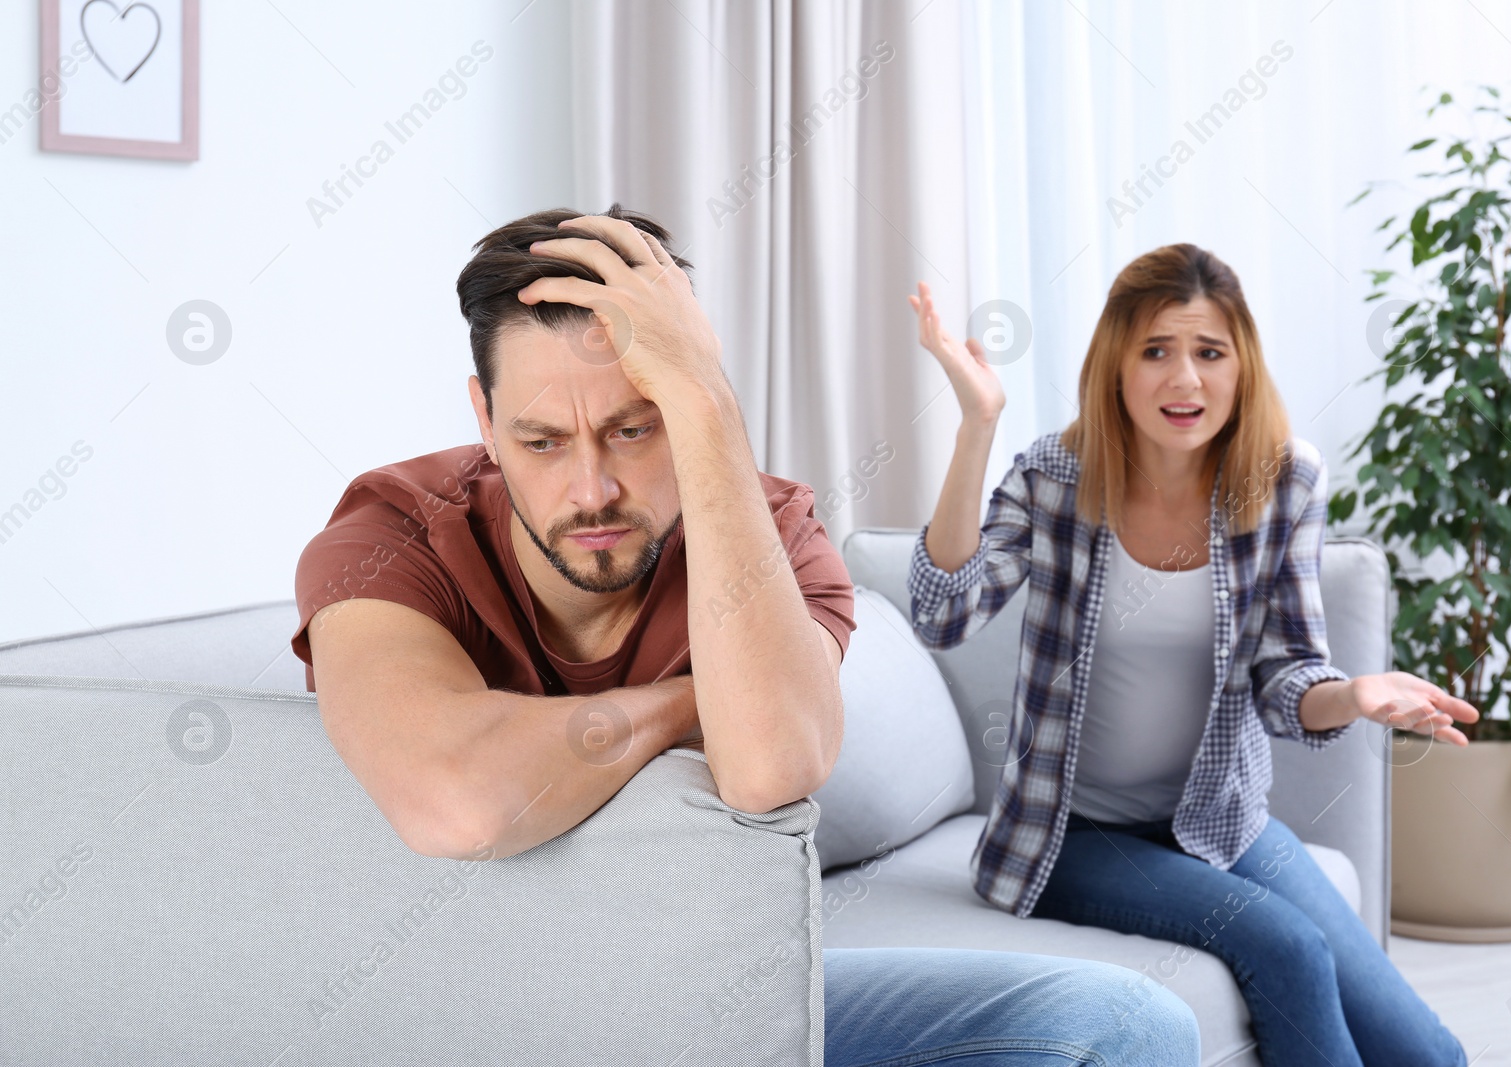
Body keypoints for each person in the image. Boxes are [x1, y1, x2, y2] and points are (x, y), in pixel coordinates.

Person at [289, 204, 1202, 1065]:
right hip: (486, 1018)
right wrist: (691, 705)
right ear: (485, 422)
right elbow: (461, 801)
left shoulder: (772, 532)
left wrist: (705, 407)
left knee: (1127, 1022)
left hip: (717, 1001)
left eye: (634, 427)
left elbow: (772, 762)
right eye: (541, 441)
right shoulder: (392, 534)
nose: (594, 488)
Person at [905, 243, 1476, 1067]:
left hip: (1218, 817)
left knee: (1429, 1053)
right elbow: (941, 612)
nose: (1186, 380)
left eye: (1210, 353)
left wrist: (1354, 694)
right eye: (1156, 352)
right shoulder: (1055, 478)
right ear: (1116, 367)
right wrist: (977, 425)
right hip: (1073, 835)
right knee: (1285, 946)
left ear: (1241, 366)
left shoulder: (1284, 483)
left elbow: (1288, 677)